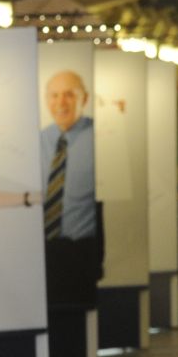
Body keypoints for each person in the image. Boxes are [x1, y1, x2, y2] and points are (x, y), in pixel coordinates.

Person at [37, 68, 102, 306]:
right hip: (43, 251)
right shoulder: (38, 141)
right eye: (53, 95)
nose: (60, 103)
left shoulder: (101, 137)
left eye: (68, 95)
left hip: (81, 252)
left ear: (84, 98)